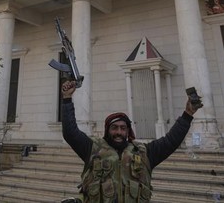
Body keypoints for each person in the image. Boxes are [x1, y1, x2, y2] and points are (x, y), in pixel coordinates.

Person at [61, 80, 200, 202]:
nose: (119, 132)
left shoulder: (144, 153)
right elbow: (70, 133)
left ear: (128, 131)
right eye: (114, 128)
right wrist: (67, 99)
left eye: (123, 128)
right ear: (107, 130)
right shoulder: (92, 149)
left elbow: (171, 141)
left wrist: (187, 115)